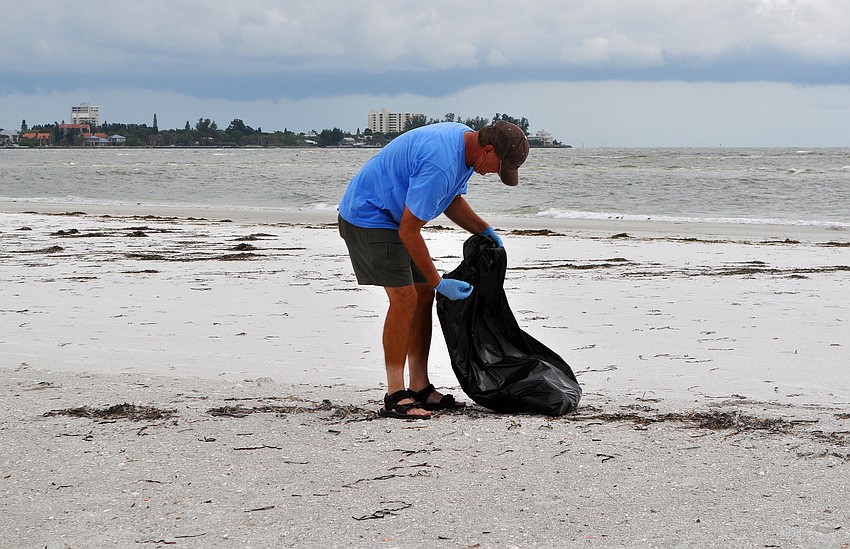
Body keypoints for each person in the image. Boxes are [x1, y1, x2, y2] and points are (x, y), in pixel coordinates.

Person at [338, 120, 529, 419]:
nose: (494, 173)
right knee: (405, 299)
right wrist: (440, 282)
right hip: (368, 215)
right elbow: (409, 230)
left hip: (394, 216)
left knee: (422, 294)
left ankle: (419, 385)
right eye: (498, 167)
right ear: (487, 150)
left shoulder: (466, 145)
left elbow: (451, 200)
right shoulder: (440, 164)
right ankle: (394, 393)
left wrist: (484, 230)